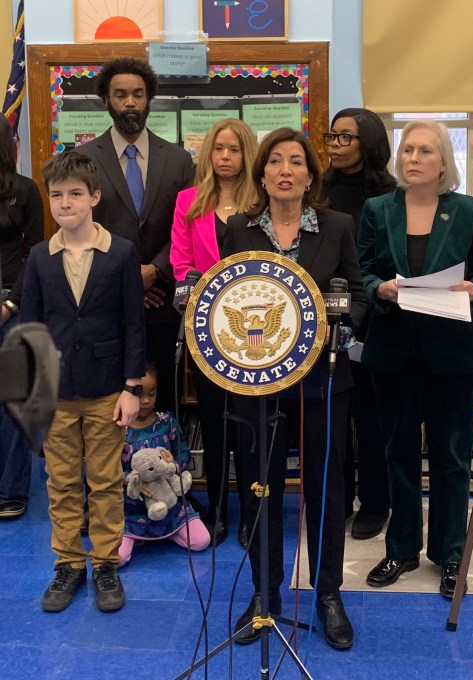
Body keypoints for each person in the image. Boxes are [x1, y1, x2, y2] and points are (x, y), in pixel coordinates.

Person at [222, 128, 367, 650]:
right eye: (276, 162)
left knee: (324, 493)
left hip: (323, 383)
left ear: (310, 175)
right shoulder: (238, 229)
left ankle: (328, 594)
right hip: (256, 388)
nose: (286, 170)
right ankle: (266, 593)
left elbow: (357, 290)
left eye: (297, 162)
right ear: (261, 174)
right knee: (260, 491)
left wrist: (348, 327)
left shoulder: (338, 226)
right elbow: (226, 297)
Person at [357, 120, 473, 598]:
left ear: (443, 163)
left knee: (452, 458)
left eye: (425, 151)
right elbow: (364, 273)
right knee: (397, 453)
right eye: (407, 150)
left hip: (453, 352)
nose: (413, 158)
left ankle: (450, 554)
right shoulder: (377, 209)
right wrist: (382, 289)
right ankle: (400, 550)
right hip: (392, 350)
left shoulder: (468, 209)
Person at [20, 150, 146, 612]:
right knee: (62, 480)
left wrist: (132, 388)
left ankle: (105, 562)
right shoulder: (39, 256)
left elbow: (134, 323)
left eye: (75, 193)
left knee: (106, 479)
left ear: (94, 197)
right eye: (56, 194)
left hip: (107, 388)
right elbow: (29, 327)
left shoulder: (122, 252)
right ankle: (68, 562)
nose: (65, 202)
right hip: (55, 391)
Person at [79, 57, 195, 413]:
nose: (130, 102)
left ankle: (168, 464)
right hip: (107, 300)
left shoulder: (178, 160)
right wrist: (129, 276)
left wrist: (154, 271)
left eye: (138, 95)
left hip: (162, 299)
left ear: (149, 99)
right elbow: (81, 228)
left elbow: (187, 225)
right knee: (108, 399)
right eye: (121, 95)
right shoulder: (84, 160)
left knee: (165, 397)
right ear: (106, 101)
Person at [170, 118, 258, 547]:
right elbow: (181, 263)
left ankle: (249, 512)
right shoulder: (188, 201)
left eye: (234, 149)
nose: (225, 157)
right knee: (214, 418)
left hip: (253, 330)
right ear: (208, 155)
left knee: (247, 423)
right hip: (206, 329)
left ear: (247, 155)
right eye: (218, 149)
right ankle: (219, 509)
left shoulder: (259, 202)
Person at [322, 108, 396, 539]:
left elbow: (383, 261)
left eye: (344, 137)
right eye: (332, 135)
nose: (334, 143)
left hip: (373, 324)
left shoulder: (389, 195)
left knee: (371, 420)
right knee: (333, 418)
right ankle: (339, 499)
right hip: (326, 321)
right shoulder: (320, 190)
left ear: (367, 142)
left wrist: (361, 313)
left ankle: (375, 503)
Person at [119, 364, 210, 566]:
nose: (146, 401)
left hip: (172, 508)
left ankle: (167, 532)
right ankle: (138, 535)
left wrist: (174, 465)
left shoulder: (166, 422)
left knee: (202, 541)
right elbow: (108, 468)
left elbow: (183, 451)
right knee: (118, 558)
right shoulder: (119, 429)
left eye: (152, 394)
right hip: (134, 512)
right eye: (139, 394)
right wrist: (128, 480)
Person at [0, 112, 44, 520]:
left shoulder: (26, 191)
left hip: (13, 306)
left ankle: (11, 490)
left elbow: (37, 252)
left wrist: (10, 304)